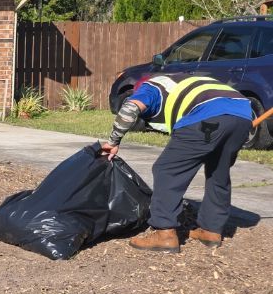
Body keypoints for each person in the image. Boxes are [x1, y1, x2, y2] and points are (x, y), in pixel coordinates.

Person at [100, 73, 253, 253]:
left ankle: (164, 233)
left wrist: (113, 141)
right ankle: (211, 230)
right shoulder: (183, 81)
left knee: (167, 170)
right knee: (218, 172)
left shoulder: (150, 87)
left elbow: (130, 108)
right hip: (243, 114)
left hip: (207, 115)